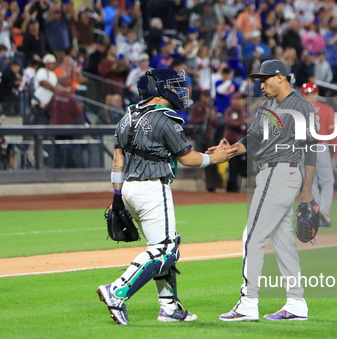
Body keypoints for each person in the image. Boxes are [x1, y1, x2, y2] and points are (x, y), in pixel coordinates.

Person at [97, 69, 237, 325]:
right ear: (159, 90)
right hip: (152, 188)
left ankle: (169, 307)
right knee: (166, 249)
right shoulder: (165, 118)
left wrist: (117, 196)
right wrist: (214, 158)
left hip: (127, 188)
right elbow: (188, 158)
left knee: (163, 245)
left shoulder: (127, 117)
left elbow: (118, 160)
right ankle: (117, 290)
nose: (180, 90)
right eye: (173, 85)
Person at [215, 59, 317, 322]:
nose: (261, 83)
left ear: (281, 78)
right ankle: (296, 303)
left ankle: (248, 302)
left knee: (252, 236)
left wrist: (307, 191)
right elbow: (253, 138)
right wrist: (230, 150)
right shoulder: (266, 107)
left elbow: (311, 147)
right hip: (272, 172)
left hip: (281, 171)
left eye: (265, 78)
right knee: (283, 241)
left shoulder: (301, 106)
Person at [300, 82, 337, 227]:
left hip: (304, 148)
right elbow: (333, 132)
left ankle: (316, 213)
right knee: (327, 181)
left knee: (311, 184)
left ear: (303, 95)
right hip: (320, 146)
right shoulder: (326, 108)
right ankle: (325, 211)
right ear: (317, 93)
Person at [223, 92, 248, 192]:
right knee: (232, 165)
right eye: (236, 99)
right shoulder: (229, 111)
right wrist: (243, 122)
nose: (239, 102)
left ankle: (237, 185)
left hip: (243, 142)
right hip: (231, 141)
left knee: (241, 164)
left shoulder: (246, 111)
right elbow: (230, 122)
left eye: (240, 99)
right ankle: (231, 186)